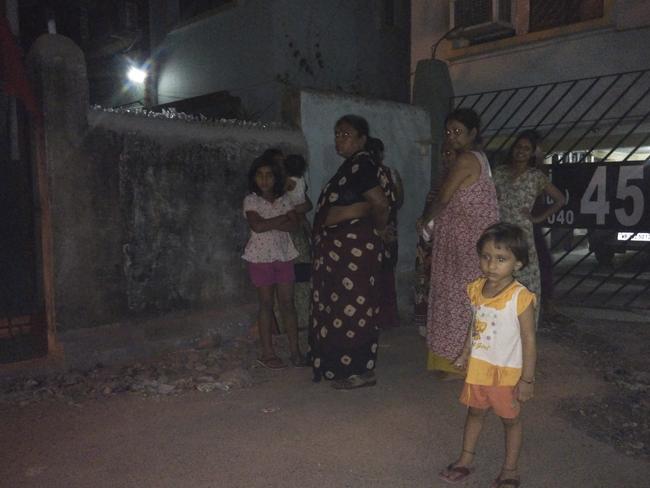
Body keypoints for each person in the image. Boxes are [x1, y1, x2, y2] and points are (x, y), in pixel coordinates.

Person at [438, 223, 536, 488]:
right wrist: (466, 350)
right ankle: (465, 460)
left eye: (501, 259)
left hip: (506, 373)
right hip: (479, 369)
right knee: (475, 413)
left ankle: (510, 470)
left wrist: (527, 380)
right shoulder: (477, 289)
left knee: (510, 420)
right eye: (486, 257)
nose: (491, 265)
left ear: (518, 263)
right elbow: (476, 323)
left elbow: (528, 339)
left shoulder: (520, 297)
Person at [309, 114, 390, 389]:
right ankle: (345, 367)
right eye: (336, 134)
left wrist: (379, 229)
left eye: (345, 134)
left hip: (354, 252)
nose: (338, 139)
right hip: (341, 253)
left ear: (361, 139)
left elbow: (379, 203)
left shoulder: (363, 165)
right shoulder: (351, 167)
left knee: (354, 309)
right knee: (344, 308)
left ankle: (358, 371)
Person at [420, 108, 499, 380]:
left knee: (460, 300)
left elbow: (443, 198)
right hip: (463, 240)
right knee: (462, 298)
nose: (451, 137)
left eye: (458, 132)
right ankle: (457, 360)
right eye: (448, 132)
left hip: (466, 243)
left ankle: (461, 363)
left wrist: (424, 221)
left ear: (473, 134)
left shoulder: (467, 159)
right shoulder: (478, 160)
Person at [492, 130, 566, 317]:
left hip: (523, 235)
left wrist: (538, 218)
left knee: (524, 279)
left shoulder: (536, 176)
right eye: (518, 147)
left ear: (532, 153)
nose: (521, 151)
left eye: (526, 148)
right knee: (499, 275)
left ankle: (525, 327)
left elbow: (560, 199)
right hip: (500, 232)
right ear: (513, 149)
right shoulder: (499, 172)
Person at [242, 155, 305, 369]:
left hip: (283, 255)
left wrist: (269, 222)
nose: (264, 179)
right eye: (260, 175)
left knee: (288, 304)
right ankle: (268, 353)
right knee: (266, 305)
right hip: (260, 258)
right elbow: (256, 226)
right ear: (254, 178)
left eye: (269, 175)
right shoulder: (251, 200)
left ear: (276, 177)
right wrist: (280, 220)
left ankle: (295, 351)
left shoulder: (285, 199)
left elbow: (294, 226)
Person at [414, 143, 456, 337]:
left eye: (450, 153)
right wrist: (422, 221)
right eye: (444, 153)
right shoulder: (440, 182)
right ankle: (426, 322)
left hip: (448, 242)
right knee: (425, 281)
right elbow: (430, 209)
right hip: (429, 241)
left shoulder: (462, 182)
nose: (446, 157)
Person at [367, 137, 402, 329]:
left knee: (375, 276)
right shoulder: (390, 174)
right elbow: (398, 200)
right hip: (387, 232)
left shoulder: (364, 174)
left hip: (372, 233)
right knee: (386, 275)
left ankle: (377, 318)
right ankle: (387, 318)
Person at [280, 154, 313, 332]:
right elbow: (305, 205)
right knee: (301, 274)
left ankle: (295, 320)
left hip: (291, 230)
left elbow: (282, 202)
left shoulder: (287, 183)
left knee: (295, 275)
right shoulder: (301, 181)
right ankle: (302, 318)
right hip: (299, 225)